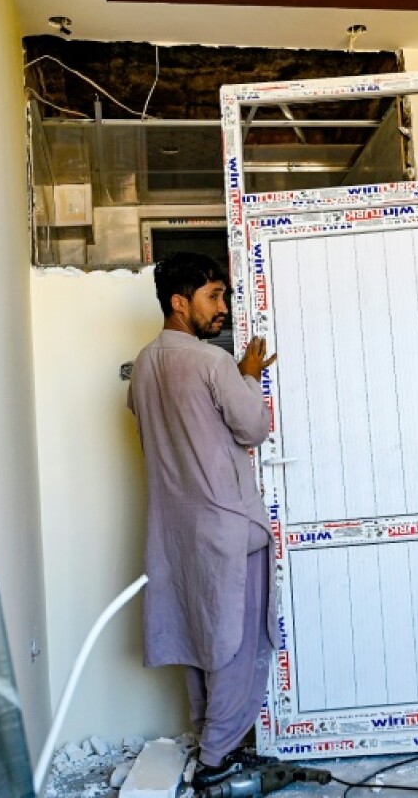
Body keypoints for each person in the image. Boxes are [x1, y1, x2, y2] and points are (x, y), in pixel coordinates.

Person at [127, 252, 278, 789]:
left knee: (199, 636)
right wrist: (249, 378)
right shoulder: (212, 363)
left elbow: (174, 419)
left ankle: (210, 739)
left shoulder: (144, 363)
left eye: (225, 296)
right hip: (229, 526)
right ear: (178, 302)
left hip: (177, 533)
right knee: (236, 643)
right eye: (213, 296)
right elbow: (253, 428)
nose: (223, 307)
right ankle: (220, 757)